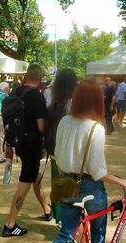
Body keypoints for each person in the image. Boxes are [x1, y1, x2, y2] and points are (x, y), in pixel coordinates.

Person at [49, 79, 126, 243]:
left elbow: (57, 157)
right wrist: (122, 181)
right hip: (90, 187)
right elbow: (97, 171)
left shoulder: (64, 122)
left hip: (66, 183)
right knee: (97, 232)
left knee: (65, 233)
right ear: (97, 101)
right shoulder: (96, 128)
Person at [1, 64, 52, 237]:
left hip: (18, 143)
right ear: (39, 81)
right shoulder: (37, 97)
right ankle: (10, 225)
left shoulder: (16, 91)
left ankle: (47, 210)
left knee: (34, 177)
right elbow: (41, 125)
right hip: (32, 144)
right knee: (25, 182)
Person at [45, 68, 78, 224]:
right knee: (70, 188)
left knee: (58, 185)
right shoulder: (74, 106)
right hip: (71, 156)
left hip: (54, 153)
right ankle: (67, 221)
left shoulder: (52, 106)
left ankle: (59, 218)